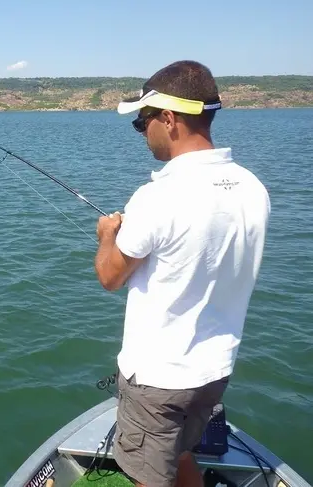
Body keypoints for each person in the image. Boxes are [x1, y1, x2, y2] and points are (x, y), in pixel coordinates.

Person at [94, 60, 271, 487]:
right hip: (214, 371)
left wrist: (106, 236)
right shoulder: (252, 187)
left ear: (169, 119)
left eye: (143, 122)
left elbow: (110, 277)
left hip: (159, 378)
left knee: (147, 476)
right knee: (182, 452)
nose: (142, 132)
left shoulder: (157, 197)